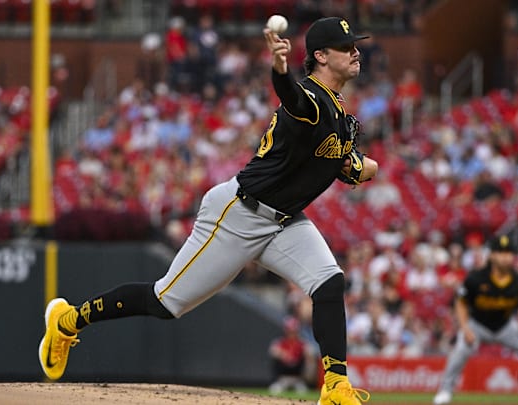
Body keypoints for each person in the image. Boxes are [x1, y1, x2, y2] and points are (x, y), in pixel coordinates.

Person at [38, 16, 378, 405]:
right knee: (165, 302)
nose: (355, 51)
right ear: (320, 56)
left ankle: (335, 386)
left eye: (355, 44)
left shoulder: (336, 110)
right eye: (346, 46)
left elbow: (343, 162)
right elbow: (292, 97)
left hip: (284, 221)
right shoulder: (313, 100)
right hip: (238, 214)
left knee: (329, 281)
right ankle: (68, 320)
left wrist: (360, 167)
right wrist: (279, 68)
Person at [433, 235, 518, 405]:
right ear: (491, 255)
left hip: (505, 326)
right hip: (477, 325)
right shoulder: (476, 278)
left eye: (509, 253)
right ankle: (445, 391)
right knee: (460, 350)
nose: (505, 257)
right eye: (500, 252)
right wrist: (465, 329)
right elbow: (460, 304)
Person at [268, 317, 312, 395]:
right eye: (289, 331)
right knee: (274, 391)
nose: (291, 333)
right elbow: (273, 351)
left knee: (303, 394)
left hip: (298, 380)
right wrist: (283, 354)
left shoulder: (302, 343)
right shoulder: (281, 342)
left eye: (293, 331)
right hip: (282, 379)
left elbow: (309, 354)